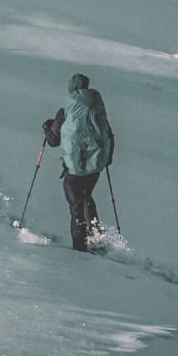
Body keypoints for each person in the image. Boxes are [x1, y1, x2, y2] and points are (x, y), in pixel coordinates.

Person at [42, 73, 115, 251]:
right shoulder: (97, 108)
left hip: (73, 168)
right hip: (95, 166)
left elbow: (53, 141)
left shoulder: (65, 111)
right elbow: (107, 134)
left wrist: (46, 127)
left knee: (76, 205)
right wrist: (106, 159)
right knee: (86, 197)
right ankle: (96, 236)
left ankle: (80, 247)